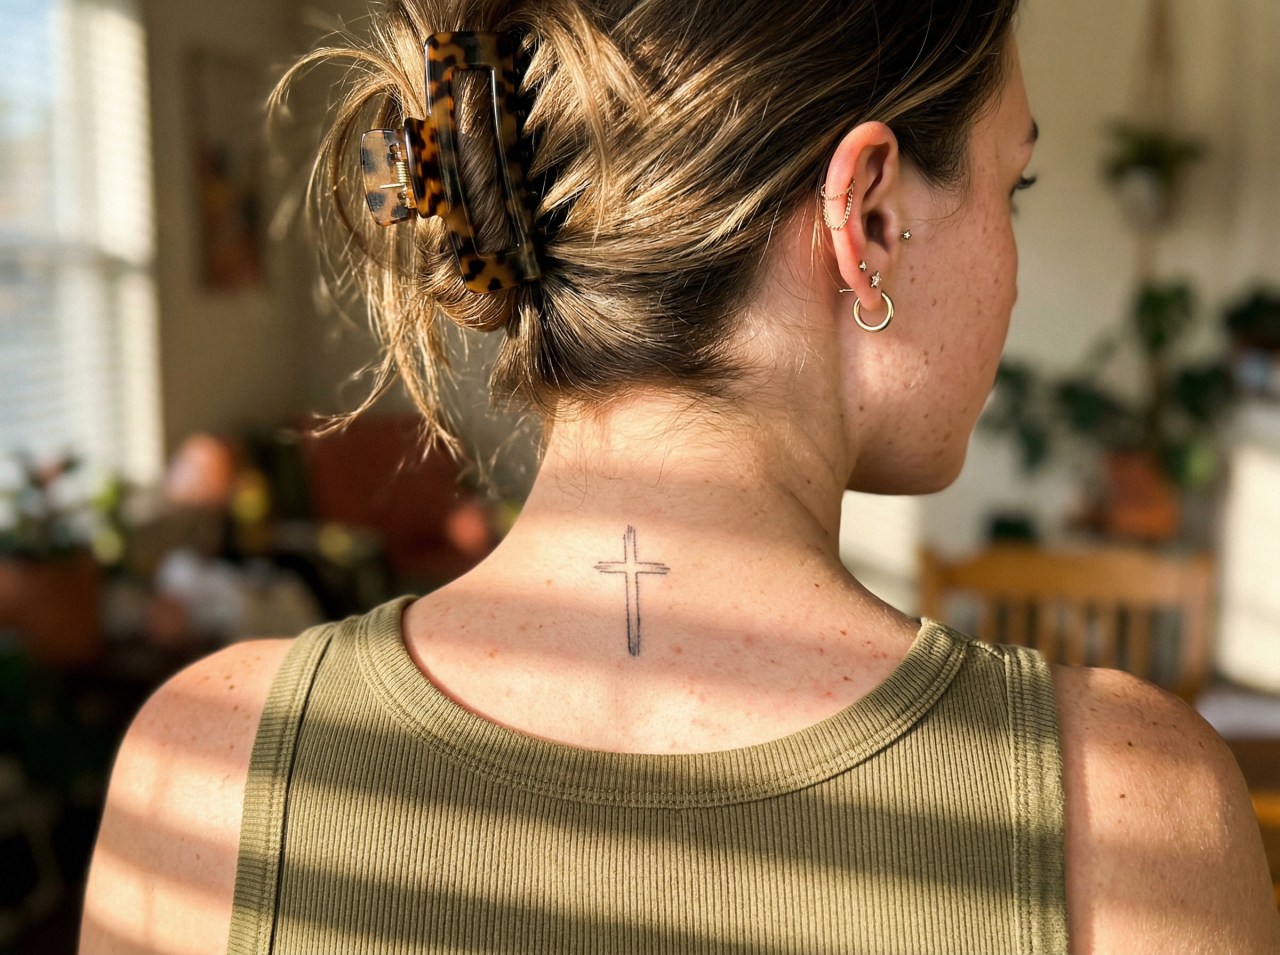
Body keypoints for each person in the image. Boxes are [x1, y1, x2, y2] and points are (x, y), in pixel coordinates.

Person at [80, 1, 1280, 952]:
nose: (1009, 256)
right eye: (1011, 185)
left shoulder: (205, 770)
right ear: (866, 218)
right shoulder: (1124, 817)